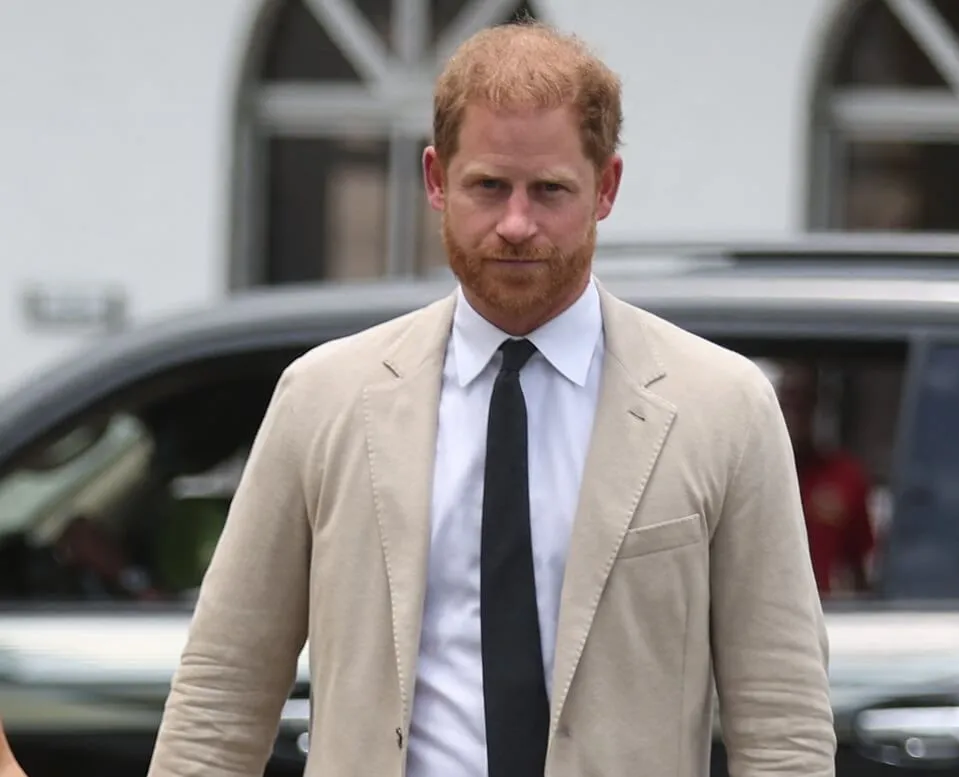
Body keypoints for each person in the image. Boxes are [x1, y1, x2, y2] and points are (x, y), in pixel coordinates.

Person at [147, 20, 834, 777]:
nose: (515, 224)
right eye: (488, 186)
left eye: (549, 190)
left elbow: (784, 723)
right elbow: (222, 693)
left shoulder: (722, 407)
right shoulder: (325, 397)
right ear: (437, 179)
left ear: (605, 187)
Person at [777, 361, 875, 597]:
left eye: (804, 402)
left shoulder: (845, 476)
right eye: (788, 402)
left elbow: (860, 565)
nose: (795, 413)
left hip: (827, 613)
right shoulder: (744, 473)